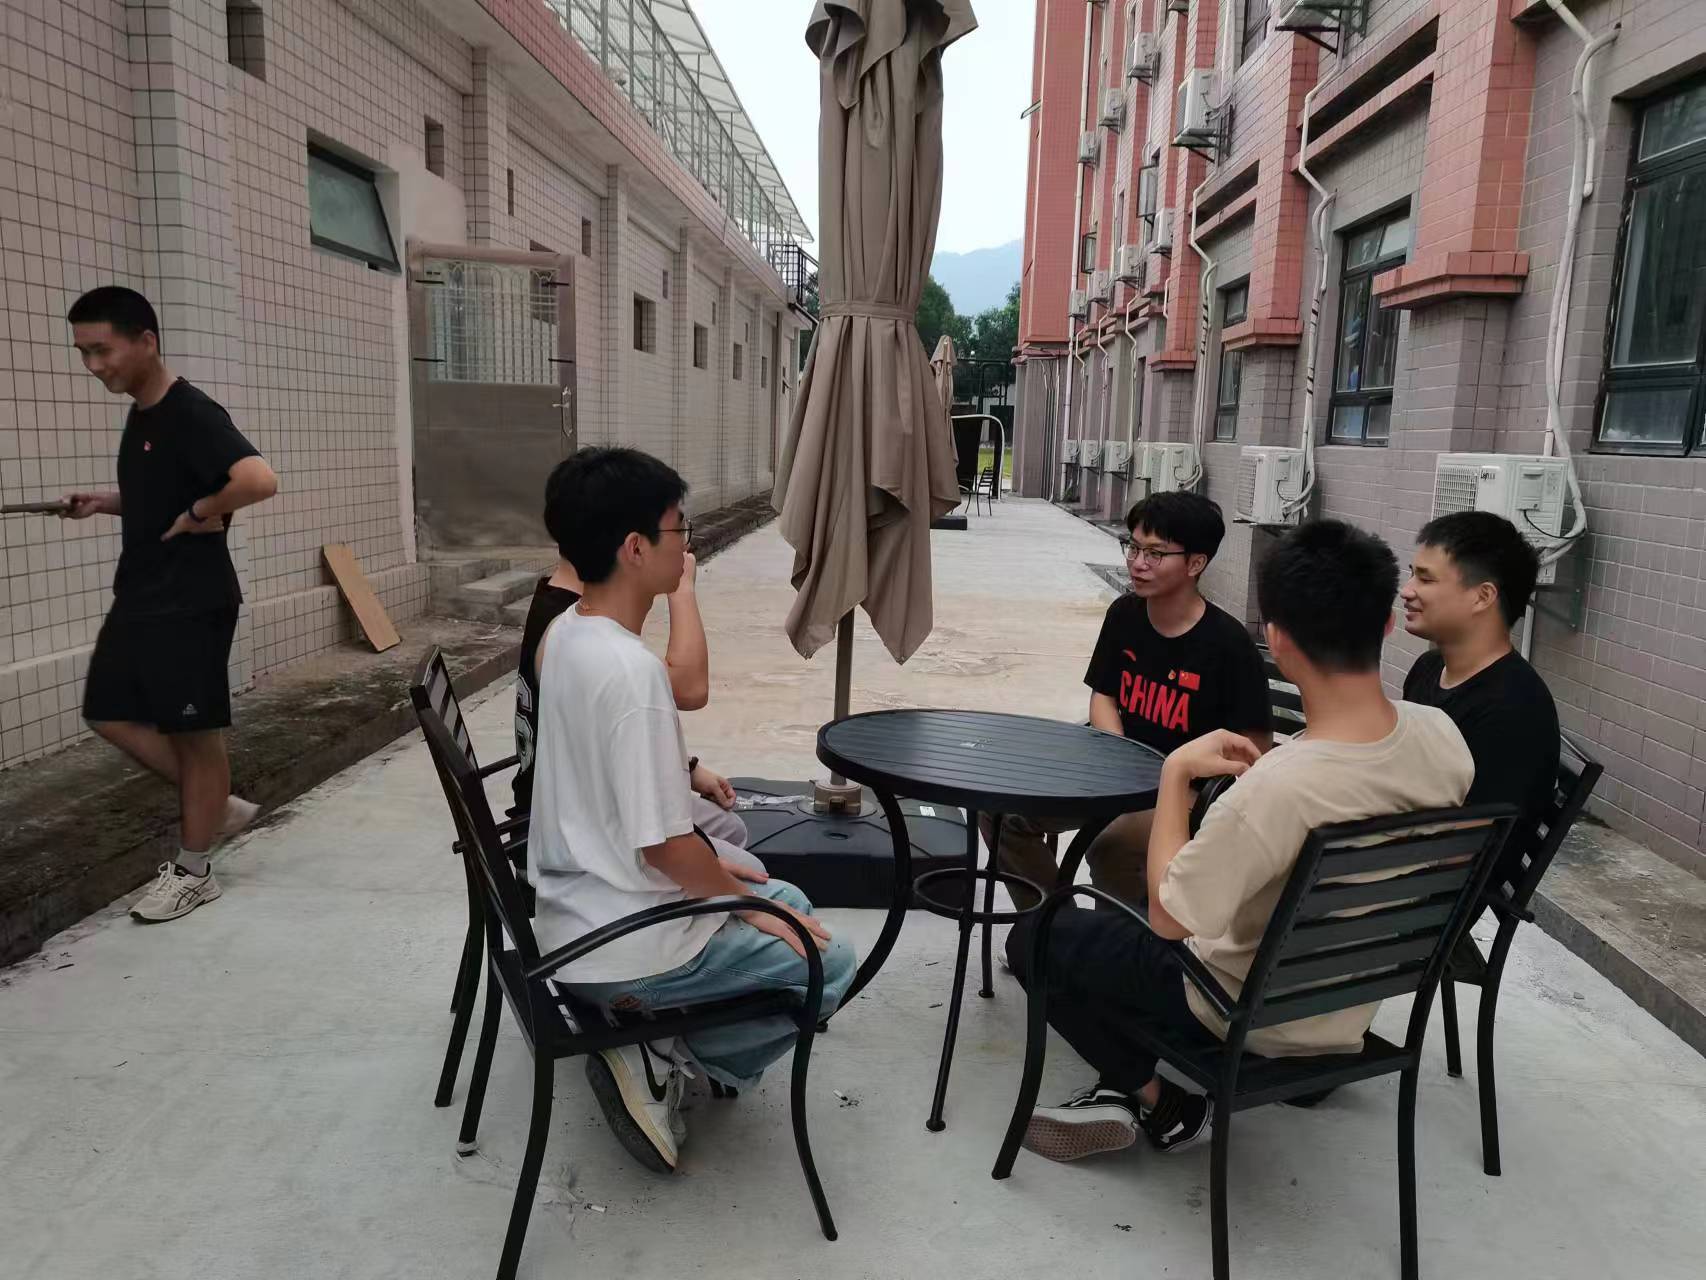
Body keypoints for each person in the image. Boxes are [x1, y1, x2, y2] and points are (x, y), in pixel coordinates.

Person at [1008, 520, 1473, 1163]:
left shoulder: (1280, 788)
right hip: (1346, 1005)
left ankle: (1158, 1100)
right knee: (1118, 926)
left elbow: (1170, 919)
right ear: (1388, 626)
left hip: (1239, 1009)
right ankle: (1130, 1087)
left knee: (1038, 934)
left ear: (1275, 639)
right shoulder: (1442, 735)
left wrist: (1176, 774)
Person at [530, 447, 857, 1173]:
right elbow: (667, 848)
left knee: (788, 897)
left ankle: (660, 1039)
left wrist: (748, 893)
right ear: (635, 547)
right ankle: (661, 1053)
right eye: (680, 528)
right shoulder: (632, 674)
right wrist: (750, 906)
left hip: (572, 911)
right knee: (830, 962)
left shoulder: (566, 632)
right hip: (619, 945)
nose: (689, 546)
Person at [61, 287, 278, 924]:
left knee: (195, 736)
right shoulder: (144, 413)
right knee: (108, 712)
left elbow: (258, 479)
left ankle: (194, 870)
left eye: (102, 350)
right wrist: (105, 502)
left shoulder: (189, 411)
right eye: (83, 353)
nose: (93, 365)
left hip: (190, 600)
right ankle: (216, 805)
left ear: (146, 341)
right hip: (142, 594)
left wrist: (204, 509)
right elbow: (162, 493)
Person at [984, 492, 1272, 908]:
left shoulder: (1228, 644)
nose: (1137, 563)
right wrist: (1119, 758)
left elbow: (1255, 745)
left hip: (1183, 790)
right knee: (998, 810)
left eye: (1155, 553)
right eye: (1133, 547)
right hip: (1113, 773)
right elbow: (1103, 695)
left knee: (1111, 848)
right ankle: (1051, 925)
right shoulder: (1125, 615)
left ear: (1195, 563)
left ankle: (1117, 943)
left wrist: (1185, 780)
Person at [510, 485, 749, 853]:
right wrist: (681, 588)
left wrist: (686, 767)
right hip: (578, 829)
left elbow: (606, 725)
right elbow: (689, 689)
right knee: (741, 854)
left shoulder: (562, 608)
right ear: (631, 547)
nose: (681, 546)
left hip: (569, 801)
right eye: (674, 533)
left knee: (729, 832)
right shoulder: (582, 634)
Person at [1400, 510, 1560, 881]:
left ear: (1482, 596)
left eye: (1425, 578)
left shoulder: (1514, 707)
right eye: (1411, 574)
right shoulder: (1428, 669)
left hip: (1431, 901)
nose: (1407, 590)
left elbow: (1463, 854)